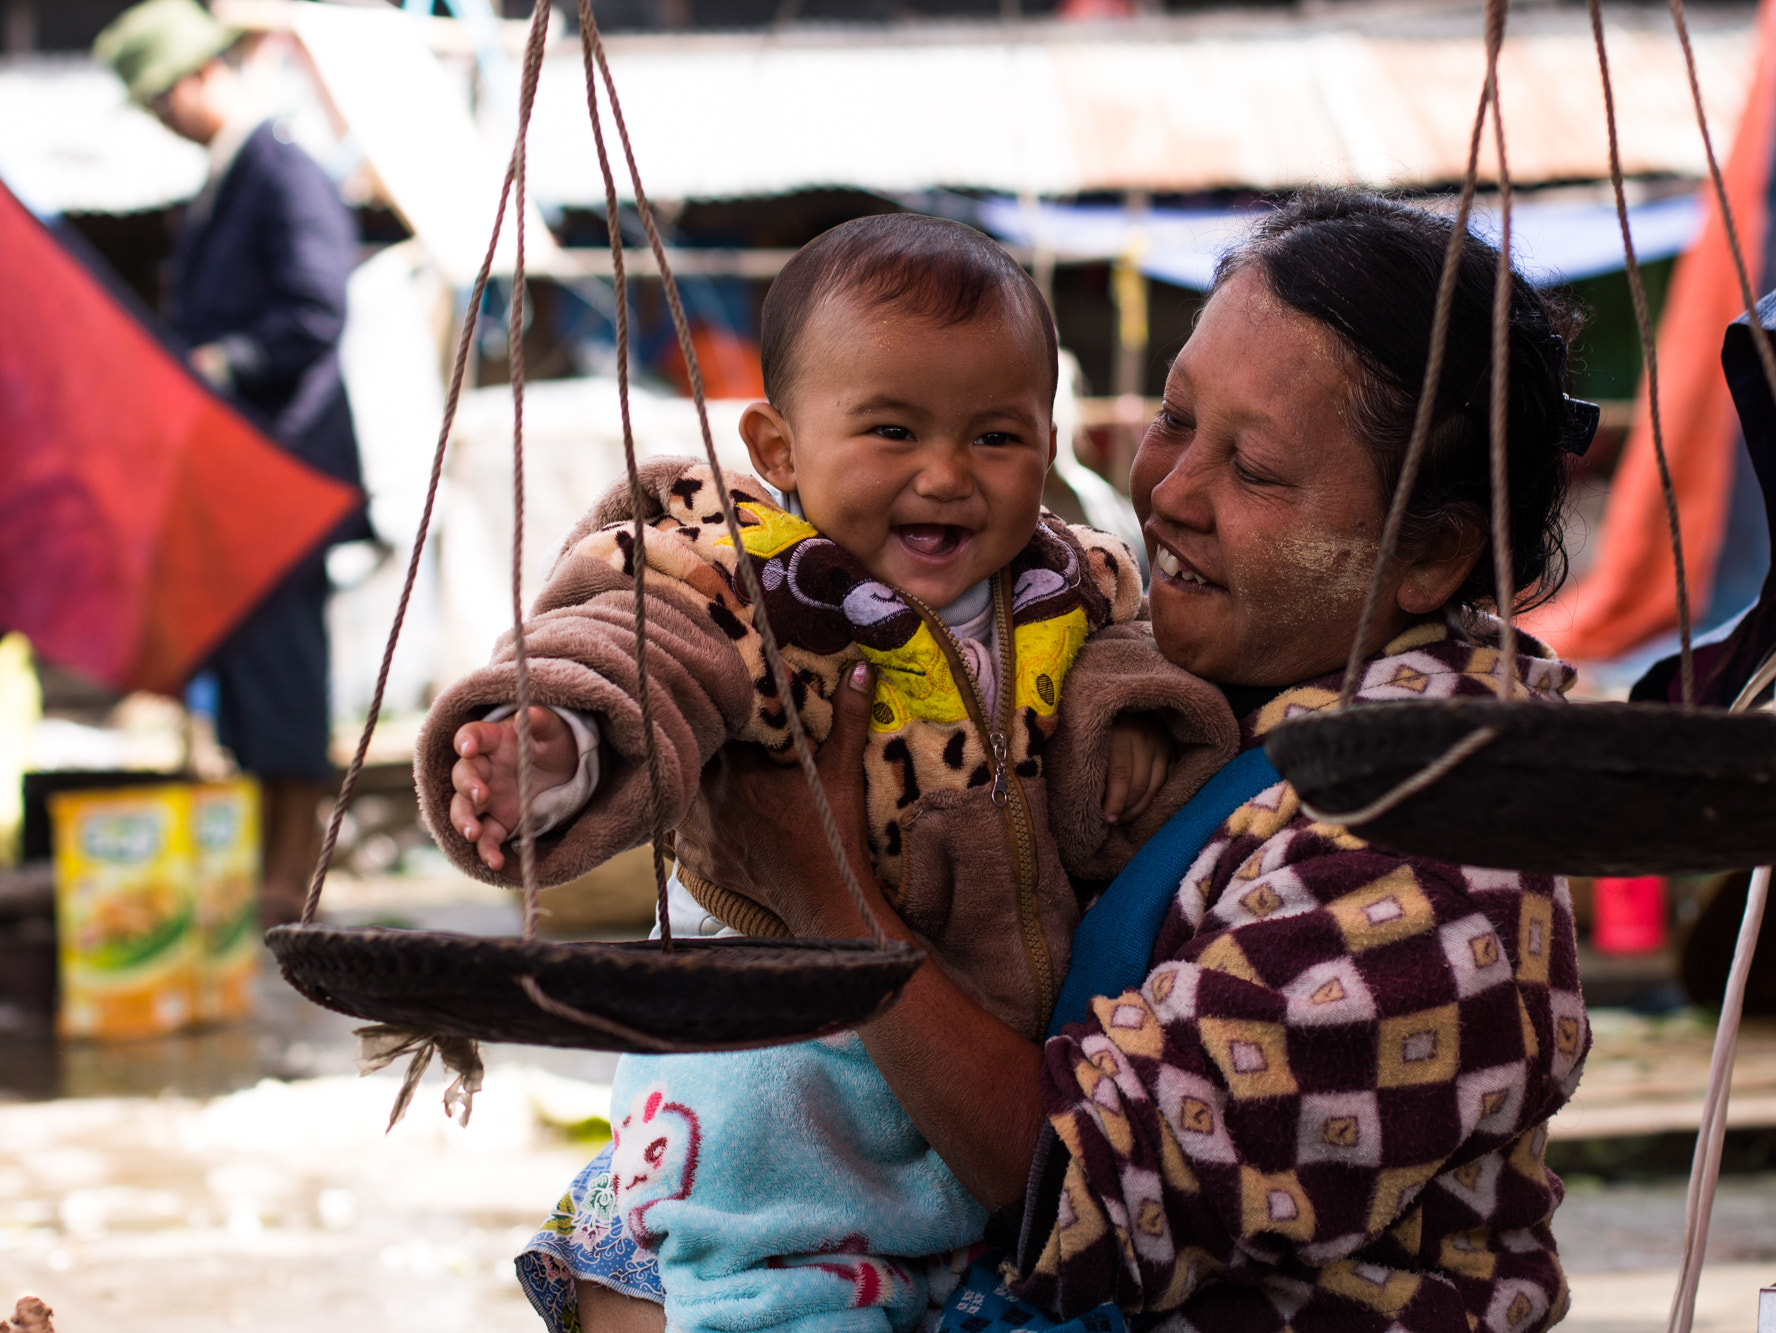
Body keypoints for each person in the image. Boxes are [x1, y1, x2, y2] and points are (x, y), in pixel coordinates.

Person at [603, 189, 1598, 1333]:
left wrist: (827, 899)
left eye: (1255, 471)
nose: (1169, 494)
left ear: (1425, 556)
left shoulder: (1432, 853)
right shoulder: (1165, 679)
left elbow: (1073, 1188)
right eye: (1173, 419)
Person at [413, 215, 1241, 1333]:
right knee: (776, 1286)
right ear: (778, 448)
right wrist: (556, 745)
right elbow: (639, 661)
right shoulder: (738, 580)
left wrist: (1142, 728)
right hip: (775, 1063)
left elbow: (1122, 671)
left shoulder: (1067, 589)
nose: (944, 477)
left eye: (994, 437)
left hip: (971, 1042)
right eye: (891, 431)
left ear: (1045, 446)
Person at [94, 0, 370, 923]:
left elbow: (314, 314)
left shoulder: (280, 170)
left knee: (284, 676)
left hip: (282, 474)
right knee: (254, 683)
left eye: (162, 101)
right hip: (241, 480)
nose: (164, 121)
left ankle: (294, 878)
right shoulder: (229, 177)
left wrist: (209, 363)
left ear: (200, 76)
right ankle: (269, 872)